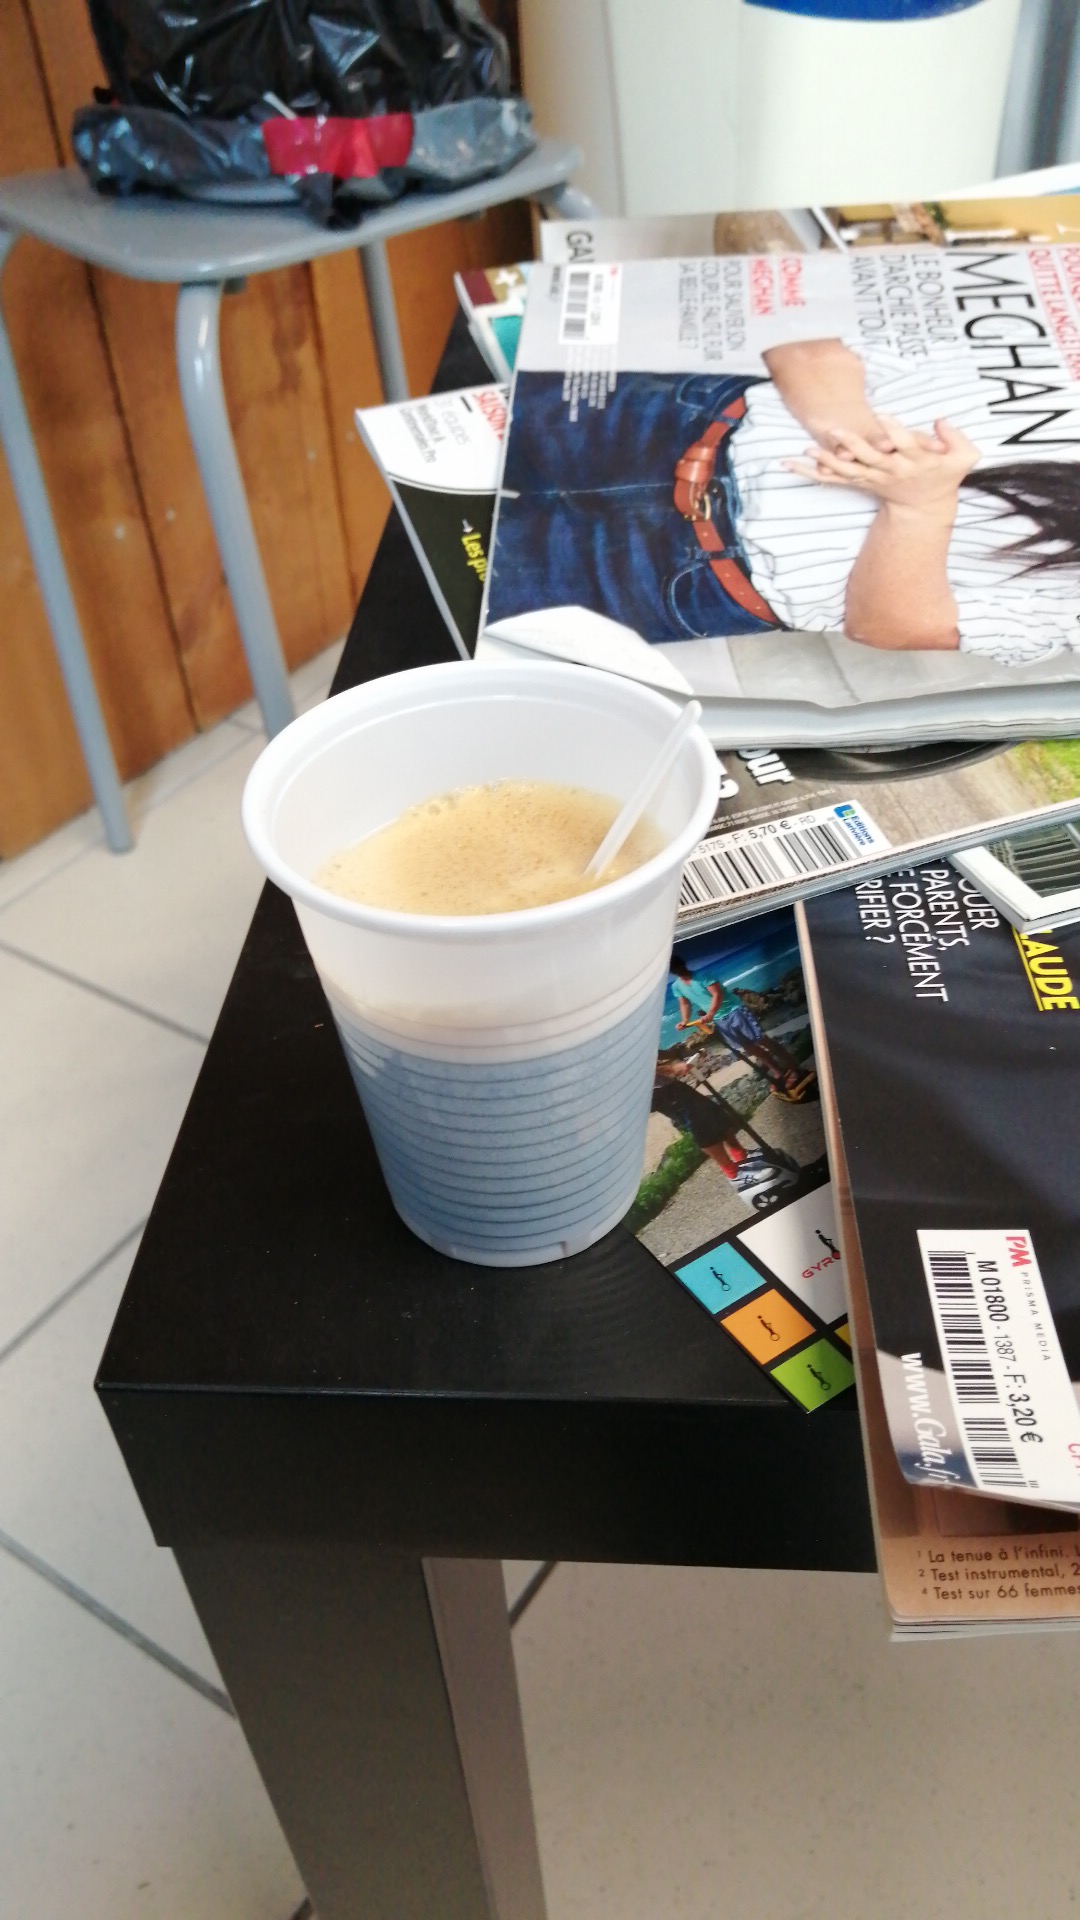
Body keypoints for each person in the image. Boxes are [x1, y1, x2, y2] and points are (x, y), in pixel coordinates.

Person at [490, 336, 1080, 666]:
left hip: (686, 577)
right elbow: (806, 353)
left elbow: (887, 627)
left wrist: (920, 506)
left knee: (443, 592)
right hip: (674, 419)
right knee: (445, 422)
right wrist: (865, 449)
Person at [669, 953, 803, 1091]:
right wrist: (684, 1021)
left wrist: (710, 1014)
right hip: (720, 1020)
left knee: (763, 1040)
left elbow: (717, 994)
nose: (678, 971)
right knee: (750, 1048)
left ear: (683, 964)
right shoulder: (677, 986)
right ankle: (777, 1072)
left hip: (735, 1011)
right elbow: (684, 1004)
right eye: (675, 970)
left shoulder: (702, 976)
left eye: (678, 967)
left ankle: (794, 1068)